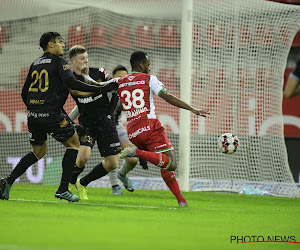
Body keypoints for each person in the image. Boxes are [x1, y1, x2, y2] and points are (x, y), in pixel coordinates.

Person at [95, 51, 210, 207]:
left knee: (164, 162)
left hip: (133, 132)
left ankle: (181, 200)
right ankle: (137, 152)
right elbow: (168, 96)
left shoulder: (119, 81)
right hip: (149, 127)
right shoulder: (149, 79)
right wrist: (192, 109)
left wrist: (82, 77)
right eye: (148, 65)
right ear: (142, 65)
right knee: (171, 164)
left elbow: (98, 87)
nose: (149, 69)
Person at [0, 32, 105, 202]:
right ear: (51, 44)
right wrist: (100, 89)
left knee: (38, 151)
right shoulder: (59, 62)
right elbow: (72, 83)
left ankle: (8, 181)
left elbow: (24, 92)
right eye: (60, 42)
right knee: (74, 143)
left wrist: (35, 108)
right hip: (51, 114)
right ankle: (63, 189)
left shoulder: (35, 64)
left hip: (33, 115)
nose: (63, 45)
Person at [67, 45, 122, 199]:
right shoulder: (69, 80)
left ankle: (82, 182)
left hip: (105, 121)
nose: (86, 61)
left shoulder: (99, 72)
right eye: (82, 58)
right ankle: (69, 182)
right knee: (83, 157)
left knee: (113, 163)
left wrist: (110, 114)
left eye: (86, 57)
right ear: (73, 61)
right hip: (86, 123)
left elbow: (115, 89)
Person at [112, 65, 148, 193]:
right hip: (99, 126)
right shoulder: (104, 91)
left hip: (116, 125)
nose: (123, 80)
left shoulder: (127, 95)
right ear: (112, 78)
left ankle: (121, 175)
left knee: (132, 159)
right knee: (112, 157)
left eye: (125, 77)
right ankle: (115, 186)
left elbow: (137, 119)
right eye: (119, 77)